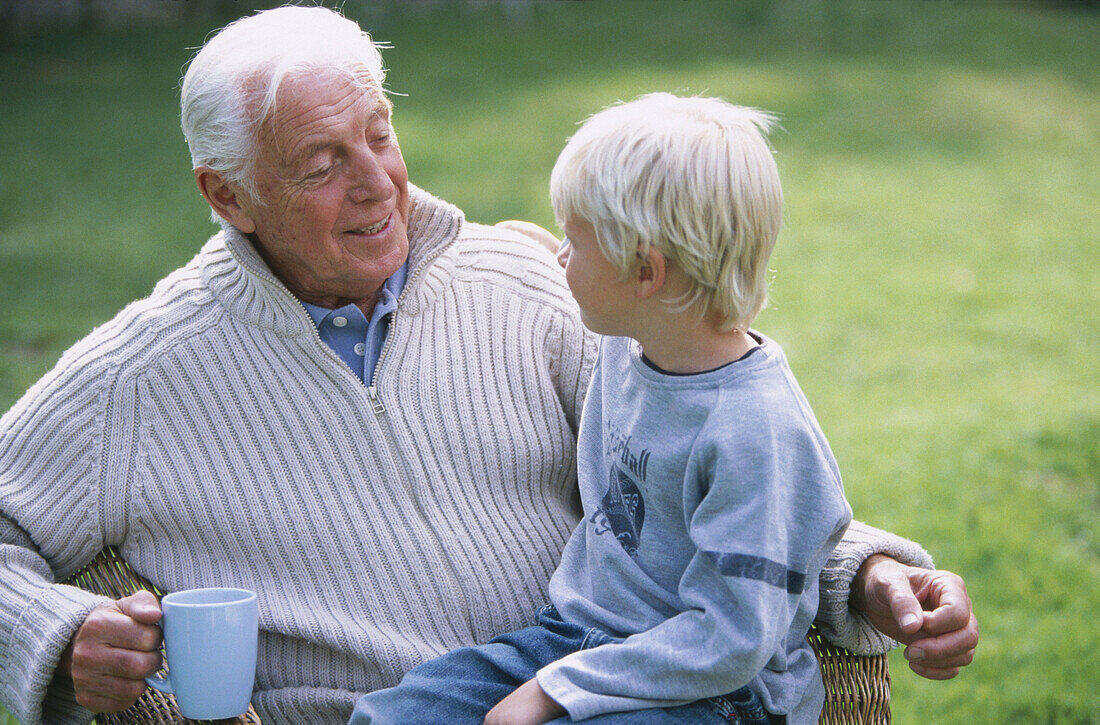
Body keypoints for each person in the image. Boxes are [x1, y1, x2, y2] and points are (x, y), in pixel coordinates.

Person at [0, 7, 976, 725]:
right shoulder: (136, 378)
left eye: (379, 133)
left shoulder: (533, 285)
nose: (376, 179)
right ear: (230, 195)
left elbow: (702, 466)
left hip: (605, 688)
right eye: (321, 162)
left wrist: (866, 573)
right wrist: (60, 633)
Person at [351, 93, 850, 725]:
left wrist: (552, 692)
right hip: (574, 638)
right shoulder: (637, 335)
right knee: (394, 716)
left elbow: (732, 641)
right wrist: (529, 242)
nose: (559, 257)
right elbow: (581, 272)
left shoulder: (753, 430)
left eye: (572, 242)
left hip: (709, 690)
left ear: (645, 271)